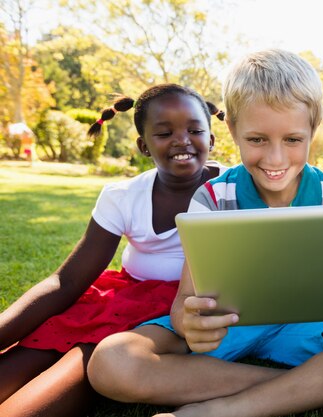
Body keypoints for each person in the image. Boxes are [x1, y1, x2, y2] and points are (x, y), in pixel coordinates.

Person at [87, 49, 323, 417]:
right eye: (257, 140)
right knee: (111, 360)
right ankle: (312, 388)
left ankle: (225, 409)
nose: (275, 160)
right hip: (229, 329)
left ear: (313, 128)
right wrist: (190, 323)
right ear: (231, 130)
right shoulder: (212, 197)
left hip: (311, 330)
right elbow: (184, 302)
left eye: (293, 140)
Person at [0, 83, 228, 417]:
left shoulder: (234, 188)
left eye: (195, 130)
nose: (182, 140)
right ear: (143, 146)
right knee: (35, 348)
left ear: (211, 139)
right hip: (121, 298)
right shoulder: (122, 195)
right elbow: (67, 282)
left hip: (164, 314)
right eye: (164, 133)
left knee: (66, 372)